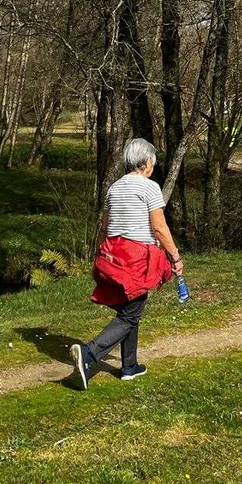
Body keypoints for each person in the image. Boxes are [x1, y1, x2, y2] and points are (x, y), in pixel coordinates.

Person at [70, 138, 183, 388]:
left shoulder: (114, 188)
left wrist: (99, 254)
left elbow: (105, 225)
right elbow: (159, 227)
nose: (154, 163)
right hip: (136, 258)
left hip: (114, 255)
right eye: (153, 159)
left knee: (130, 309)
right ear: (146, 161)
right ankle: (89, 354)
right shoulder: (150, 187)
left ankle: (129, 365)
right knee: (131, 315)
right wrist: (174, 255)